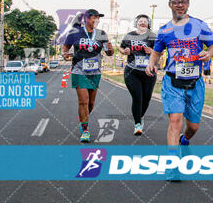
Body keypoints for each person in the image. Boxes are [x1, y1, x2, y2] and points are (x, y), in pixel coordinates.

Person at [146, 0, 213, 177]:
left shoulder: (199, 25)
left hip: (195, 82)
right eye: (175, 2)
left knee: (193, 126)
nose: (179, 5)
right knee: (175, 120)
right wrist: (151, 64)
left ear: (188, 3)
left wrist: (208, 54)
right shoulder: (164, 30)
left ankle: (185, 140)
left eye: (183, 2)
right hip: (172, 81)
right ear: (170, 4)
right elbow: (156, 51)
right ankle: (172, 165)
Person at [62, 9, 113, 143]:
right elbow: (65, 47)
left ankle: (83, 120)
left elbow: (109, 53)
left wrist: (111, 49)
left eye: (98, 18)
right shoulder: (75, 33)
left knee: (90, 103)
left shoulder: (102, 34)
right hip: (79, 70)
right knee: (83, 101)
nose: (96, 20)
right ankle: (85, 130)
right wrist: (65, 54)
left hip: (95, 72)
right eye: (94, 18)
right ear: (86, 19)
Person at [119, 14, 157, 136]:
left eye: (145, 21)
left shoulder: (152, 36)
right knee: (138, 98)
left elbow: (159, 52)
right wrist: (124, 51)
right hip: (132, 71)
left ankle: (140, 116)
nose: (142, 23)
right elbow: (120, 47)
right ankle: (137, 125)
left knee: (146, 99)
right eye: (140, 21)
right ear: (136, 23)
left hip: (149, 71)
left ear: (148, 24)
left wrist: (152, 51)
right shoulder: (130, 35)